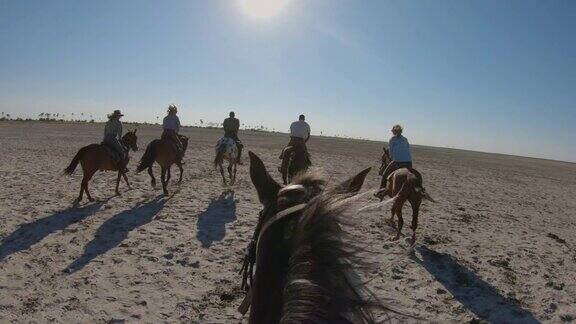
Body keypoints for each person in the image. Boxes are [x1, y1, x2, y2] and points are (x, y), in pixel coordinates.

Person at [377, 124, 423, 198]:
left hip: (398, 162)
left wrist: (392, 158)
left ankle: (381, 191)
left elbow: (391, 153)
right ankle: (421, 190)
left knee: (385, 175)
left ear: (394, 132)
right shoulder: (405, 139)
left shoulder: (392, 139)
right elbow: (407, 148)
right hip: (408, 162)